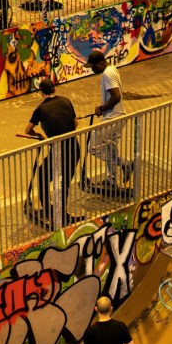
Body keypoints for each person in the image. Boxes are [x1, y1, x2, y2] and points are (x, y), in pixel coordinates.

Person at [24, 79, 81, 226]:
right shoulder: (66, 101)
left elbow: (27, 130)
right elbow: (75, 123)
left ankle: (53, 211)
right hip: (74, 148)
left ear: (41, 92)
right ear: (54, 90)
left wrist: (40, 136)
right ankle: (59, 211)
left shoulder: (40, 109)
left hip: (59, 152)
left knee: (44, 176)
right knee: (63, 182)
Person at [86, 49, 133, 187]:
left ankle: (124, 163)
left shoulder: (107, 74)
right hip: (117, 115)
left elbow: (116, 96)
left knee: (94, 147)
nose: (92, 69)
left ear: (101, 63)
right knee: (109, 148)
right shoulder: (112, 69)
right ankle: (111, 181)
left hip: (113, 116)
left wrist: (102, 108)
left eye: (93, 66)